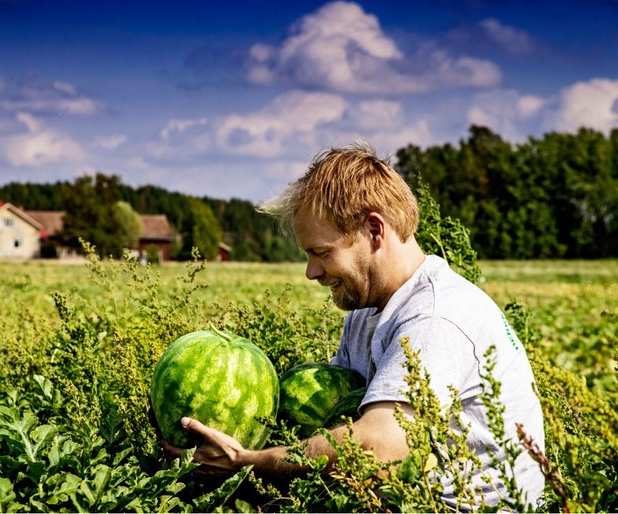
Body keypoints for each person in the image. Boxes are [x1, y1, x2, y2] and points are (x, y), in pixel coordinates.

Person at [161, 142, 545, 509]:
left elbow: (379, 447)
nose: (311, 272)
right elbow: (335, 414)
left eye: (321, 253)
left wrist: (246, 462)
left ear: (374, 231)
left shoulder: (435, 318)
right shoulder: (367, 312)